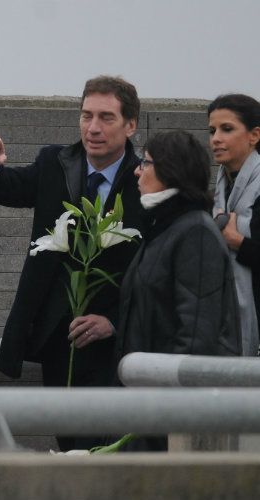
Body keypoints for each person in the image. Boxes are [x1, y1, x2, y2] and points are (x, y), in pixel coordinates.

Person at [0, 76, 142, 451]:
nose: (93, 128)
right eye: (86, 116)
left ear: (131, 125)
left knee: (100, 444)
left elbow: (150, 272)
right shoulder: (55, 161)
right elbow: (10, 186)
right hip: (59, 339)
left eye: (106, 118)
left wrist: (113, 320)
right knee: (68, 441)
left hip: (112, 343)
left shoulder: (144, 180)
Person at [115, 130, 241, 451]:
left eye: (146, 163)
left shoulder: (194, 233)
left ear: (171, 171)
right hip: (149, 402)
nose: (137, 170)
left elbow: (197, 335)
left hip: (171, 413)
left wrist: (166, 407)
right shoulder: (164, 227)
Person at [209, 94, 260, 356]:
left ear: (254, 136)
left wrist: (238, 243)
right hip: (226, 328)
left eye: (227, 129)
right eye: (212, 130)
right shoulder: (220, 191)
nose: (216, 138)